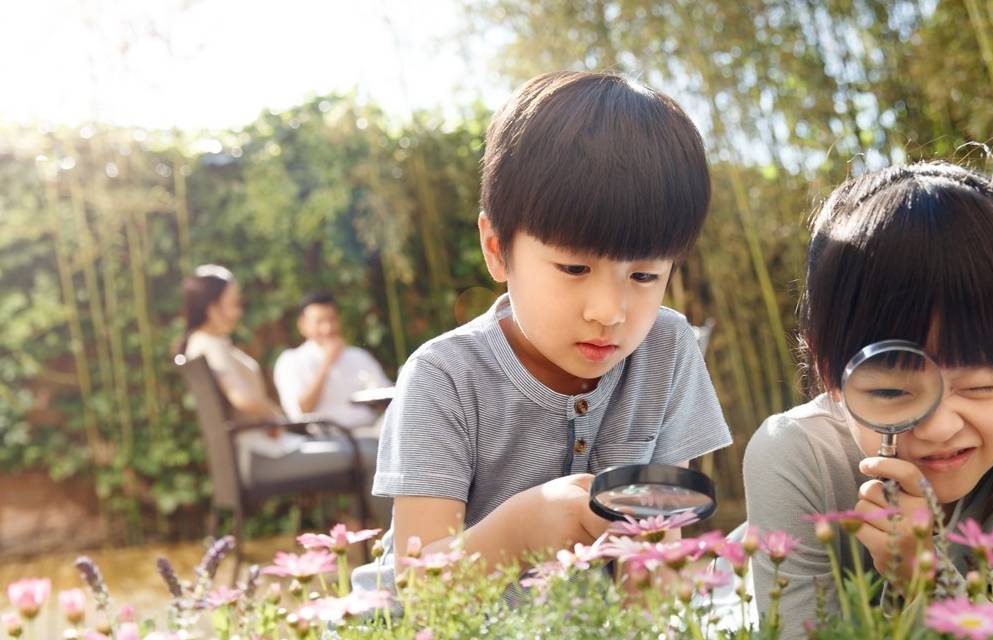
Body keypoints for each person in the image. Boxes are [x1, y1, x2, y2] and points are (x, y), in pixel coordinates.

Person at [359, 71, 732, 586]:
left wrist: (656, 582)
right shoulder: (443, 376)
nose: (609, 311)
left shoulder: (668, 349)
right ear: (496, 249)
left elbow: (658, 546)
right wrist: (517, 533)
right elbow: (417, 587)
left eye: (644, 275)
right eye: (574, 269)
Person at [742, 161, 993, 635]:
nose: (940, 427)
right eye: (891, 390)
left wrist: (928, 581)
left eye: (981, 385)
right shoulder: (795, 456)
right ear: (826, 367)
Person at [179, 266, 360, 491]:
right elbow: (244, 399)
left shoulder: (205, 344)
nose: (239, 311)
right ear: (213, 308)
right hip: (261, 456)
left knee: (364, 451)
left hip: (260, 450)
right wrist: (275, 417)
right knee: (365, 453)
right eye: (234, 303)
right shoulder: (210, 346)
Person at [273, 292, 392, 432]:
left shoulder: (359, 356)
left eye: (332, 320)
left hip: (369, 431)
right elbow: (301, 410)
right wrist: (326, 364)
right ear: (302, 325)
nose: (328, 328)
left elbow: (385, 396)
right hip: (325, 438)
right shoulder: (291, 360)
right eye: (319, 322)